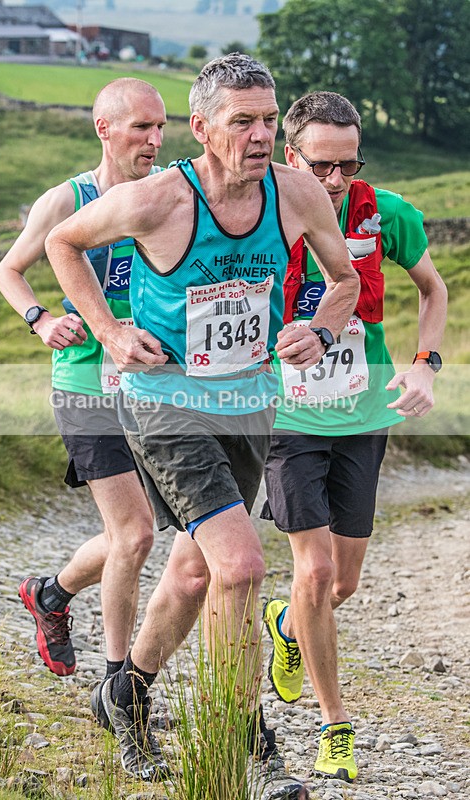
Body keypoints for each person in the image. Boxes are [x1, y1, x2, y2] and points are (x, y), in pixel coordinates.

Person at [45, 54, 359, 799]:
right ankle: (247, 747)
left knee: (192, 572)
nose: (257, 135)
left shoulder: (296, 192)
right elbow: (63, 244)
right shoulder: (158, 199)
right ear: (202, 129)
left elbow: (342, 280)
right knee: (243, 567)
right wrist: (110, 333)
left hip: (246, 401)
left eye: (265, 120)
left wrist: (316, 329)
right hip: (162, 404)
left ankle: (124, 694)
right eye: (240, 121)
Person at [261, 91, 448, 783]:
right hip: (287, 417)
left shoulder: (386, 214)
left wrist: (425, 365)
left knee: (339, 583)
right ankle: (333, 727)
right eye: (321, 166)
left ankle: (284, 625)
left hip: (362, 415)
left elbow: (432, 291)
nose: (334, 181)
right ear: (292, 156)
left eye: (347, 165)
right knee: (309, 571)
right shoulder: (262, 215)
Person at [0, 77, 167, 723]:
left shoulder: (167, 191)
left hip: (153, 383)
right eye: (140, 128)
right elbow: (8, 269)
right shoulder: (68, 198)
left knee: (143, 532)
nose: (153, 140)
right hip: (85, 383)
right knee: (135, 533)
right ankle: (118, 686)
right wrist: (39, 318)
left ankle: (49, 591)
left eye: (160, 128)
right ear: (104, 129)